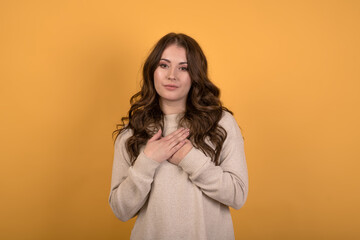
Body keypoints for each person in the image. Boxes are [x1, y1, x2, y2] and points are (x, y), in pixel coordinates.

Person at [108, 32, 248, 240]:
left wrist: (188, 158)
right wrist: (147, 162)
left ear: (195, 75)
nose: (172, 75)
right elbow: (121, 210)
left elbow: (237, 196)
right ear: (152, 71)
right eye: (164, 65)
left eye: (184, 68)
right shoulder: (133, 131)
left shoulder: (221, 123)